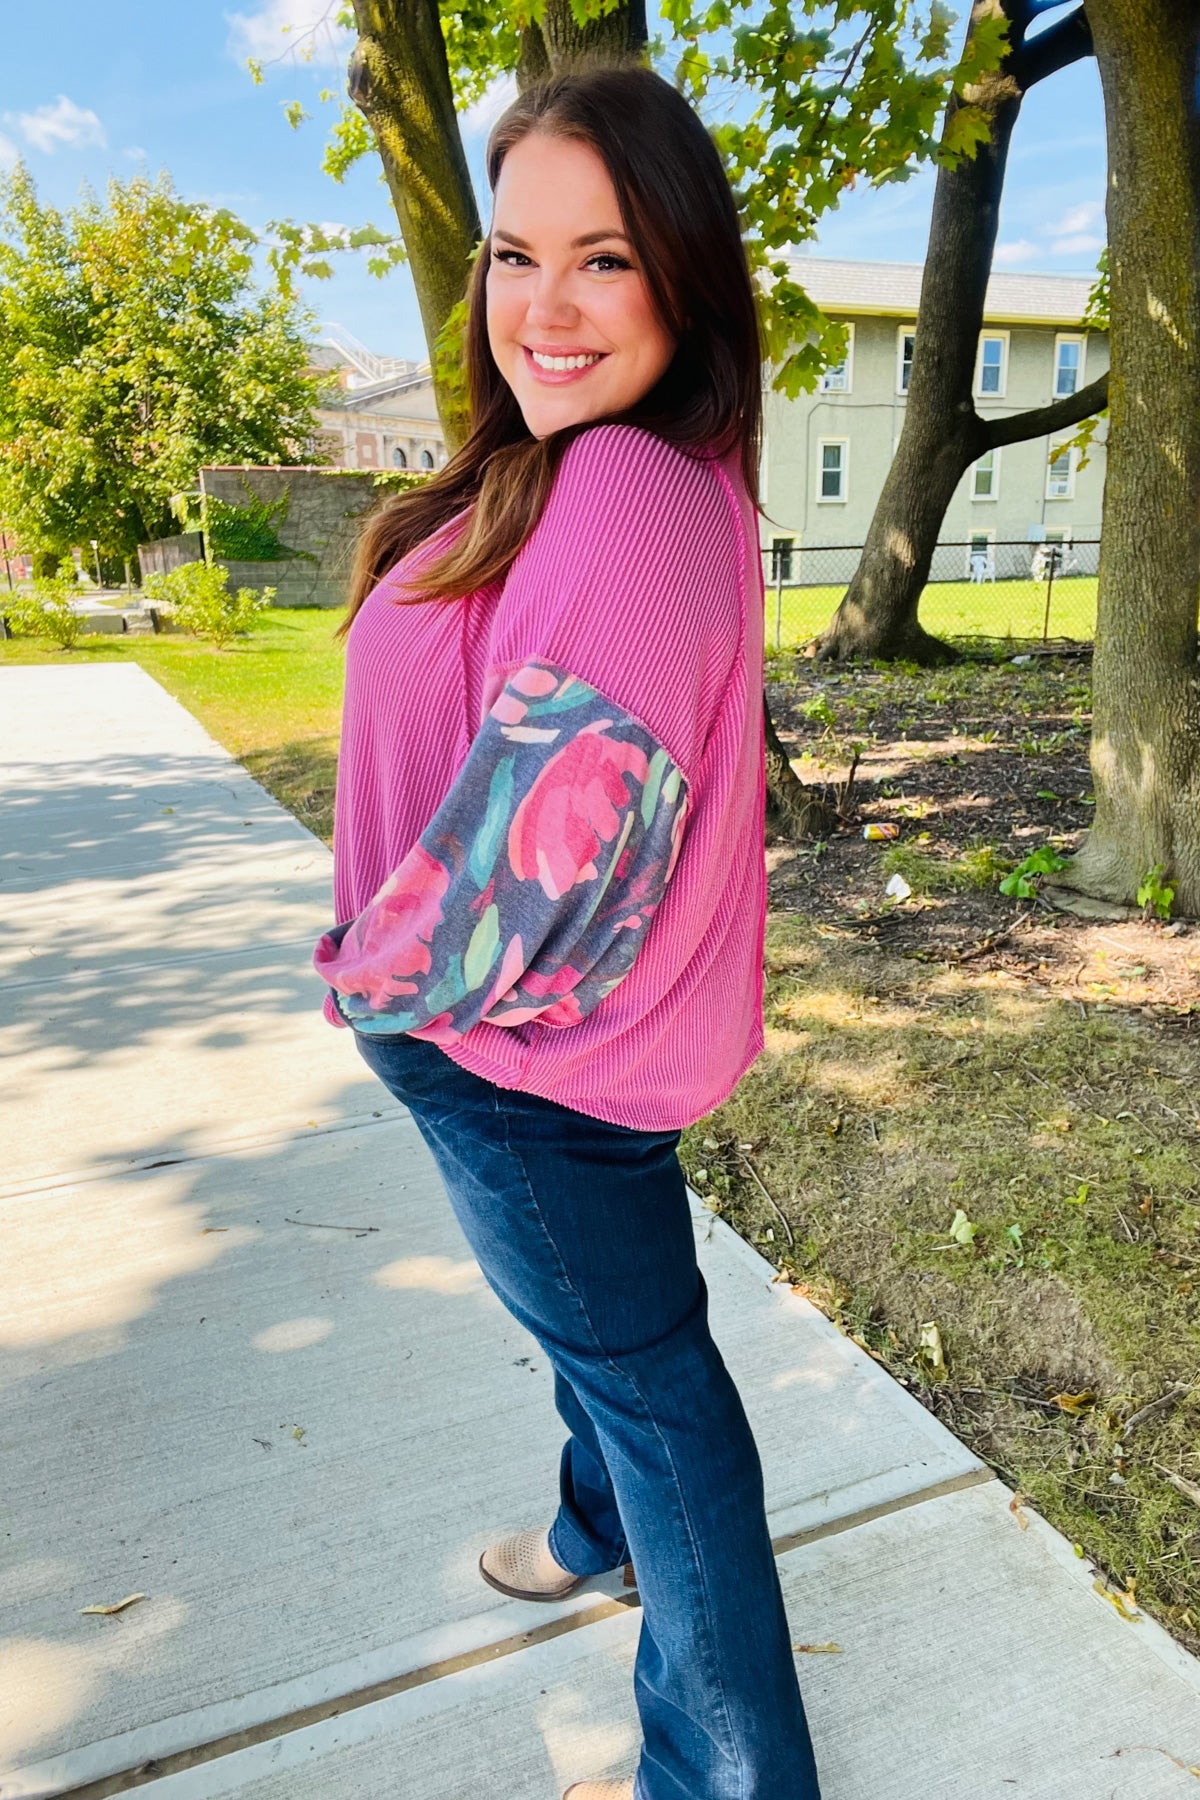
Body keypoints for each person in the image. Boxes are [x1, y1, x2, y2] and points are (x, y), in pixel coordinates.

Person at [312, 62, 823, 1800]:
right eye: (513, 255)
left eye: (602, 259)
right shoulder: (581, 471)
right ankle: (585, 1524)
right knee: (611, 1340)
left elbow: (539, 872)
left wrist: (374, 991)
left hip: (511, 1057)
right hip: (532, 1049)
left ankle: (734, 1775)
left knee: (661, 1397)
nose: (544, 303)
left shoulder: (620, 490)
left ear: (681, 275)